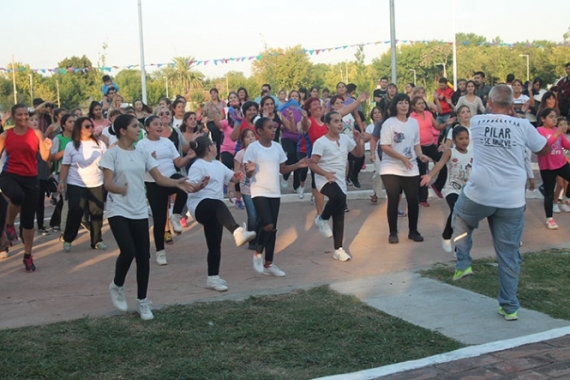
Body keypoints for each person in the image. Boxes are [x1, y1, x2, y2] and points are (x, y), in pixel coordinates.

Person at [452, 84, 548, 321]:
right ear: (512, 105)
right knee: (508, 253)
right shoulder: (523, 125)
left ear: (490, 103)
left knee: (461, 218)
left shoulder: (477, 122)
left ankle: (463, 261)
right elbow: (543, 150)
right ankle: (510, 306)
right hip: (512, 198)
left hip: (480, 192)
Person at [102, 114, 194, 320]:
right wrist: (118, 188)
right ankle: (117, 285)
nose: (138, 130)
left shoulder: (142, 152)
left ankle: (142, 302)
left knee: (143, 256)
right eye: (135, 126)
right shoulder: (111, 154)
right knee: (128, 251)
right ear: (122, 131)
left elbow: (159, 178)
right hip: (118, 210)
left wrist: (178, 183)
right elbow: (107, 183)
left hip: (139, 210)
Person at [187, 135, 256, 292]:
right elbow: (190, 186)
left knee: (214, 244)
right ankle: (237, 231)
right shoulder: (197, 166)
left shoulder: (218, 165)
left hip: (216, 211)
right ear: (210, 148)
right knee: (217, 203)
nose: (215, 146)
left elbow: (233, 177)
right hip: (199, 206)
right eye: (213, 144)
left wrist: (240, 175)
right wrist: (199, 186)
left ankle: (213, 278)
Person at [244, 117, 308, 277]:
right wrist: (250, 170)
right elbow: (248, 172)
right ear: (259, 131)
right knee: (267, 225)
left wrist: (298, 165)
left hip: (274, 192)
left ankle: (269, 264)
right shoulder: (253, 148)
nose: (273, 130)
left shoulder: (277, 147)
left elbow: (283, 169)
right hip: (259, 191)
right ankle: (258, 253)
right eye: (269, 127)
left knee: (272, 229)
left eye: (273, 127)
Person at [0, 103, 52, 272]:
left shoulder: (36, 134)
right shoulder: (5, 135)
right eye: (19, 115)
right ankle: (9, 224)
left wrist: (48, 147)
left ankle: (28, 255)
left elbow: (44, 157)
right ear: (13, 117)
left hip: (31, 178)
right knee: (17, 196)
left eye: (25, 115)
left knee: (28, 223)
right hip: (10, 175)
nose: (23, 118)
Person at [136, 116, 194, 265]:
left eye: (161, 124)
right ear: (147, 128)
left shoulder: (167, 142)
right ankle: (160, 252)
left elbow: (178, 163)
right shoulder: (141, 145)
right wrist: (149, 160)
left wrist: (188, 157)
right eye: (156, 124)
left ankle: (176, 215)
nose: (160, 127)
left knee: (184, 184)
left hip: (171, 177)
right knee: (160, 219)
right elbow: (138, 168)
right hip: (153, 183)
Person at [310, 111, 364, 261]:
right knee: (338, 197)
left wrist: (359, 141)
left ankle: (338, 249)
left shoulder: (346, 139)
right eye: (335, 121)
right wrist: (325, 173)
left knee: (339, 214)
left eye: (340, 121)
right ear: (327, 125)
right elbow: (312, 163)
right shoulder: (321, 142)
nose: (340, 124)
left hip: (339, 179)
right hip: (324, 179)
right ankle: (322, 219)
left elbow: (358, 155)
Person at [379, 94, 429, 244]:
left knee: (413, 200)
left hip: (410, 167)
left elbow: (416, 144)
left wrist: (420, 155)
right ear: (395, 106)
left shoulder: (413, 123)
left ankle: (413, 231)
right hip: (390, 168)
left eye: (406, 103)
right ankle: (393, 232)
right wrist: (402, 158)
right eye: (400, 103)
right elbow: (385, 147)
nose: (404, 105)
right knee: (394, 199)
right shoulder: (389, 123)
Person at [58, 117, 107, 252]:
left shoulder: (100, 144)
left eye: (91, 126)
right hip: (76, 184)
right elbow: (65, 165)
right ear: (79, 128)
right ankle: (68, 238)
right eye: (87, 126)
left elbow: (106, 163)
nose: (90, 128)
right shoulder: (71, 145)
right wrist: (61, 181)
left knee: (97, 212)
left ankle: (97, 240)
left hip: (96, 183)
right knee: (75, 211)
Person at [420, 126, 472, 252]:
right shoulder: (450, 152)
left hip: (467, 191)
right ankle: (447, 236)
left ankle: (457, 246)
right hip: (451, 189)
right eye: (460, 139)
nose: (464, 141)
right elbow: (440, 164)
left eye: (466, 138)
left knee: (462, 218)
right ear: (454, 140)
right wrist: (429, 176)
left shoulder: (472, 154)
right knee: (457, 210)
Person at [535, 110, 570, 230]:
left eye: (555, 117)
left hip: (561, 163)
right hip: (547, 167)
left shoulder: (557, 130)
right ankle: (549, 218)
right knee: (549, 193)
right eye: (551, 117)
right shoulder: (540, 130)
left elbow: (566, 145)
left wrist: (561, 134)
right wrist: (556, 135)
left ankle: (567, 198)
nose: (554, 119)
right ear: (543, 119)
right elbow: (543, 145)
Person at [49, 113, 76, 232]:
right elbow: (52, 157)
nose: (73, 124)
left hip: (76, 171)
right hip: (62, 171)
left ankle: (68, 221)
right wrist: (65, 152)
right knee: (65, 198)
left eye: (74, 121)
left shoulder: (77, 138)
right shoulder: (58, 139)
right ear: (64, 125)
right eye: (70, 122)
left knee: (72, 198)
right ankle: (60, 223)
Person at [234, 129, 259, 250]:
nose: (250, 138)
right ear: (243, 140)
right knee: (252, 215)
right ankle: (252, 241)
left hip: (259, 188)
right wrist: (231, 190)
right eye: (247, 136)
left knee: (260, 215)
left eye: (252, 136)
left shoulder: (259, 152)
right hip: (246, 189)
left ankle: (258, 237)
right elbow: (235, 173)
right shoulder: (240, 154)